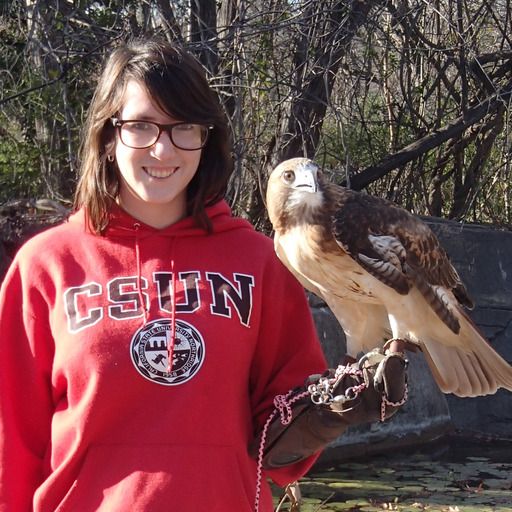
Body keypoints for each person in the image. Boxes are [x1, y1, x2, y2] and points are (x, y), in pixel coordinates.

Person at [0, 38, 407, 512]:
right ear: (109, 136)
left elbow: (280, 458)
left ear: (206, 136)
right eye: (141, 126)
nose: (162, 147)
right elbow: (12, 441)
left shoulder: (260, 262)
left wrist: (324, 415)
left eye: (183, 127)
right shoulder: (46, 266)